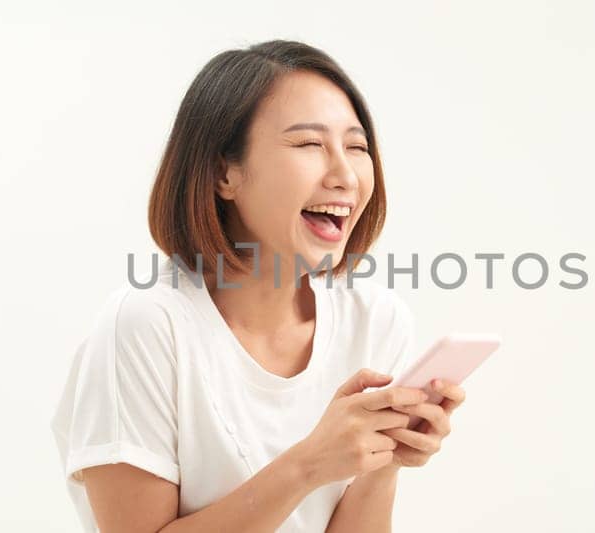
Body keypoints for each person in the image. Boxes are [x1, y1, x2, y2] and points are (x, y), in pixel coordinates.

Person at [50, 40, 468, 532]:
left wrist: (387, 458)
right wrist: (309, 464)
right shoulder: (146, 325)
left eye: (357, 147)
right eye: (310, 144)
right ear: (224, 173)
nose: (345, 175)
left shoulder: (375, 319)